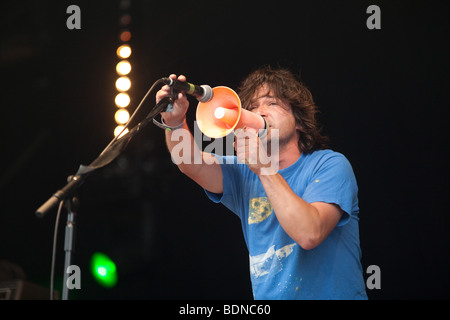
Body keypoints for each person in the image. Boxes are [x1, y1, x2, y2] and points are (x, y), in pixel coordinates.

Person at [155, 67, 368, 300]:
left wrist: (264, 167)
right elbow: (188, 161)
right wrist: (175, 123)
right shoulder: (245, 171)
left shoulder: (330, 165)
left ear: (299, 121)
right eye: (252, 107)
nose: (260, 112)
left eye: (272, 103)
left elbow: (309, 233)